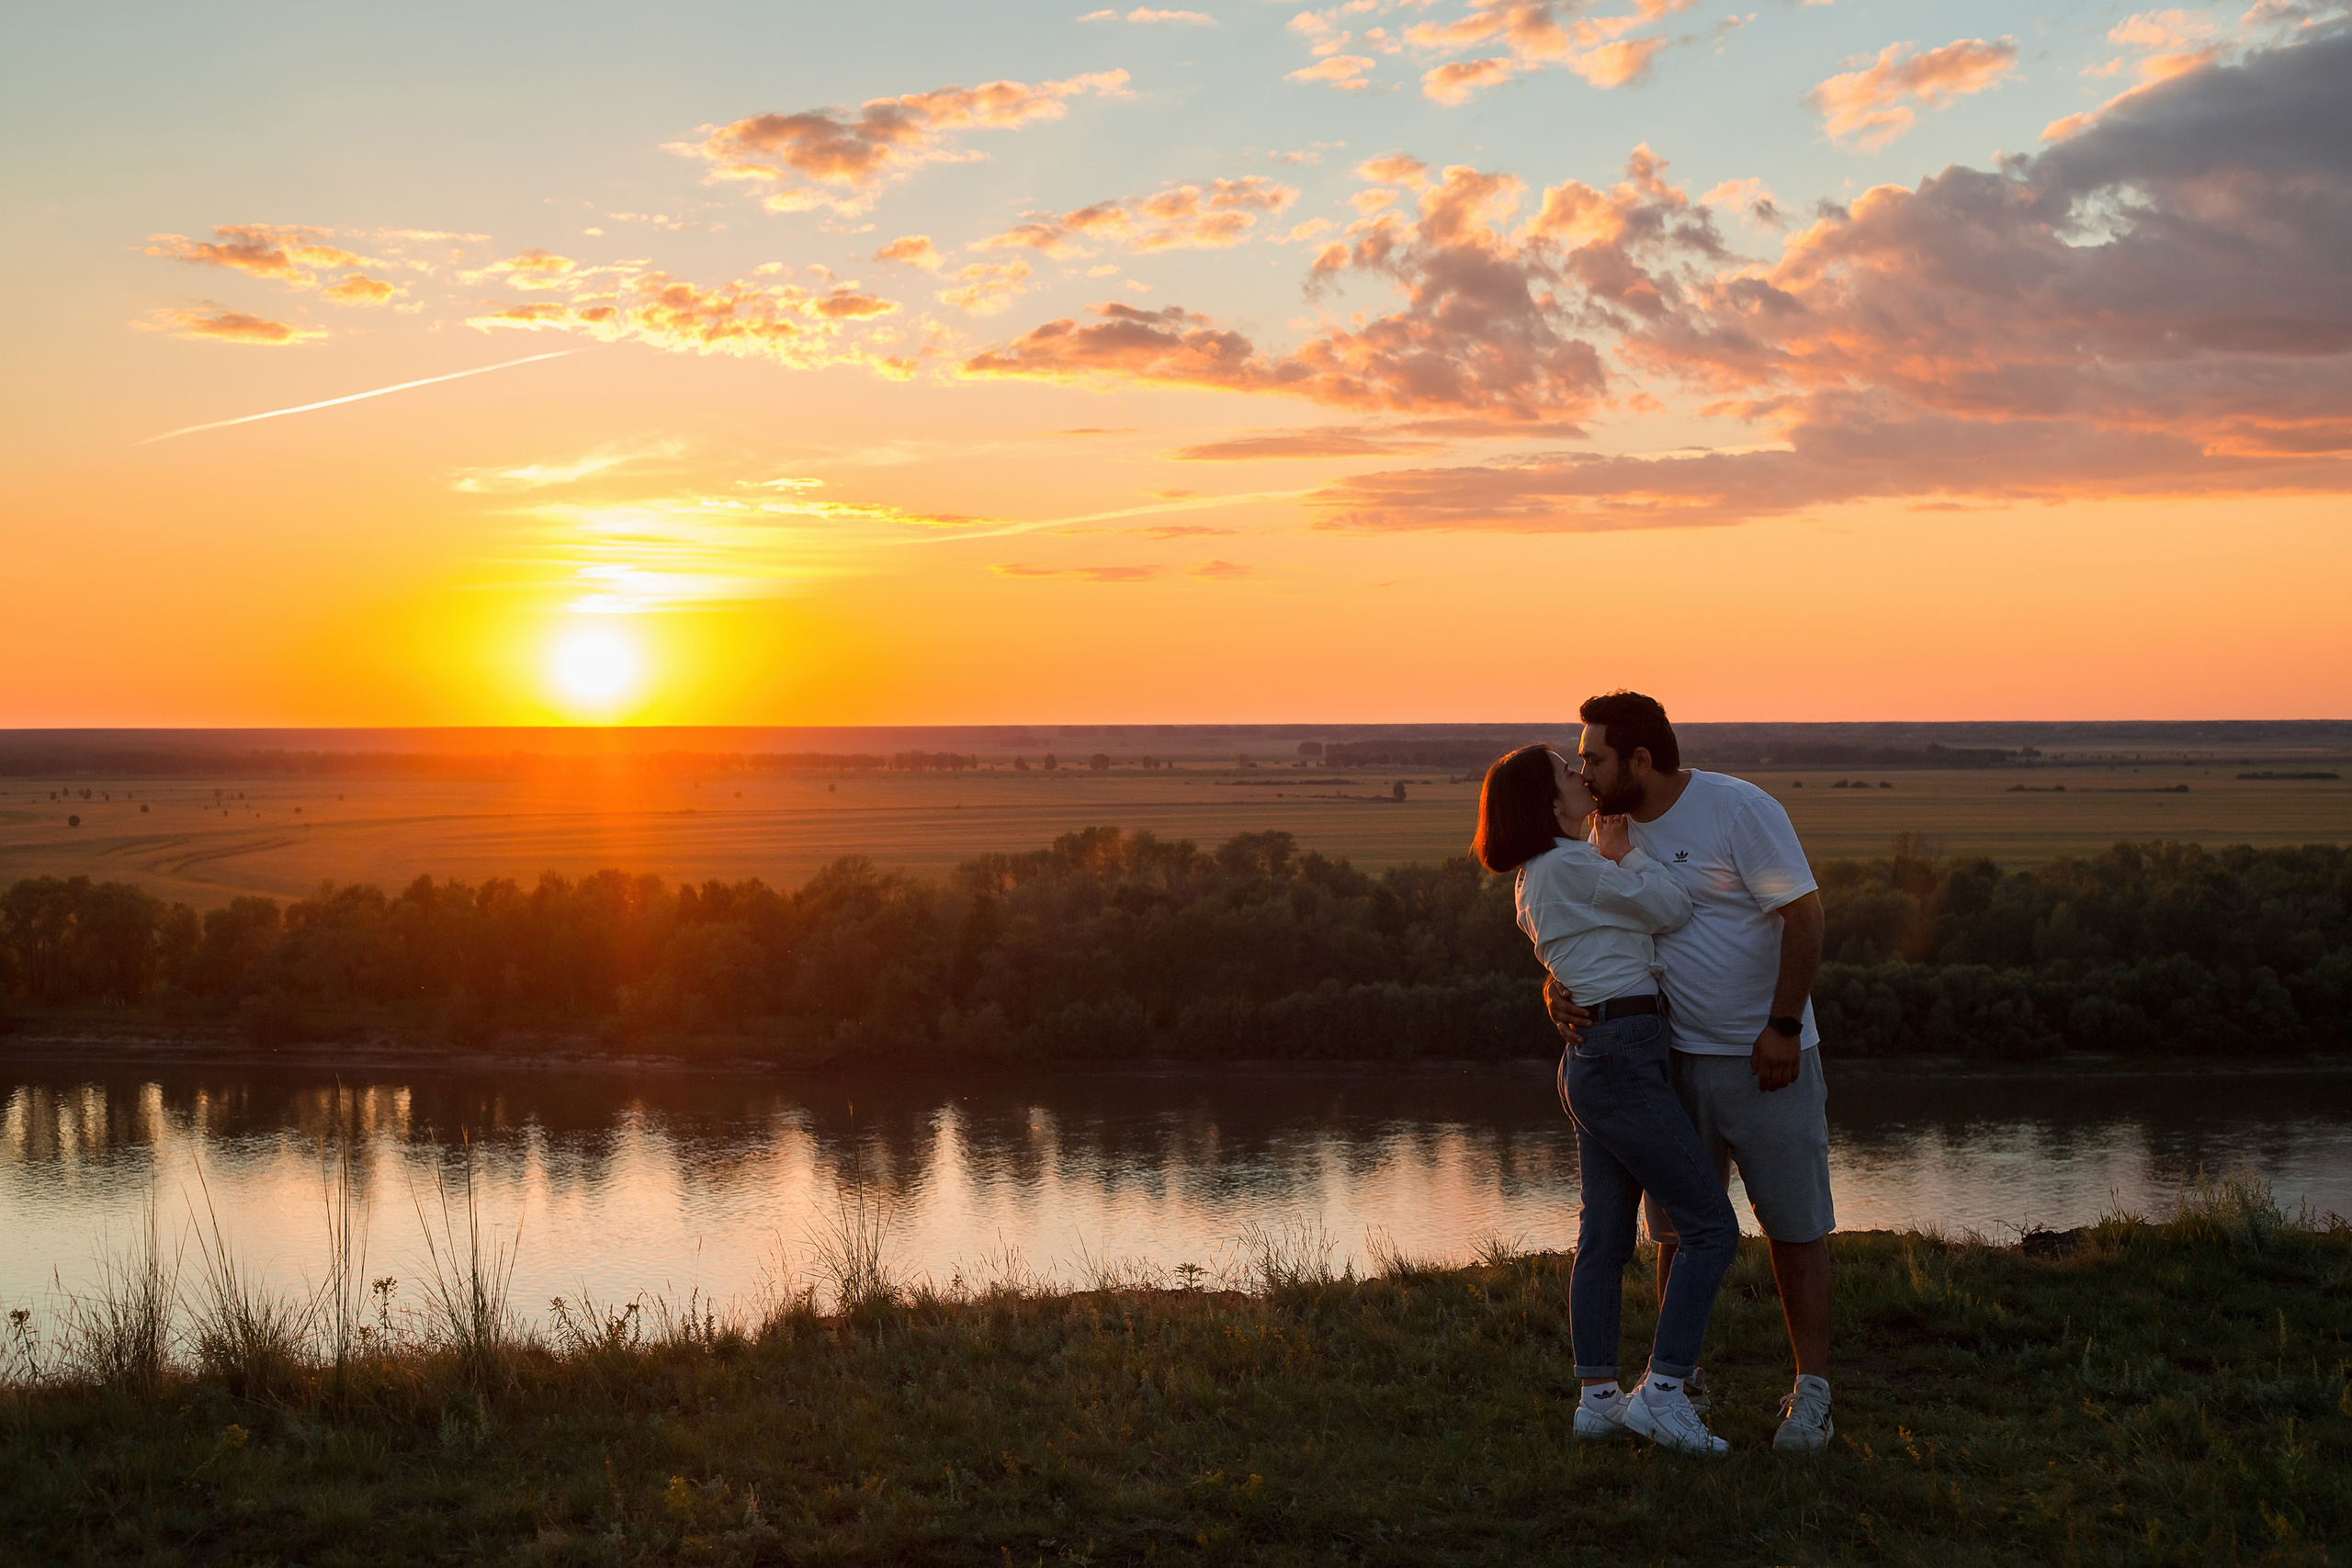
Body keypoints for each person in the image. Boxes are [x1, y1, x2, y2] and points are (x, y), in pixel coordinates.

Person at [1545, 691, 1838, 1453]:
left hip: (1765, 1058)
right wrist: (1555, 984)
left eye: (1595, 756)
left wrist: (1780, 1025)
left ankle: (1812, 1394)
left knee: (1794, 1229)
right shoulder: (1605, 822)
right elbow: (1585, 920)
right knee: (1676, 1231)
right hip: (1666, 1060)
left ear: (1640, 759)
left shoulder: (1737, 810)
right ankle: (1681, 1385)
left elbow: (1802, 917)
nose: (1584, 768)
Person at [1474, 743, 1739, 1456]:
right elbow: (1672, 906)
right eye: (1568, 772)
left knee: (1605, 1237)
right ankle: (1662, 1390)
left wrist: (1605, 853)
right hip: (1623, 1056)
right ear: (1547, 802)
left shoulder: (1547, 870)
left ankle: (1597, 1398)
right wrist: (1623, 854)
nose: (1581, 775)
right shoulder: (1574, 866)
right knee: (1712, 1228)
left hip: (1601, 1056)